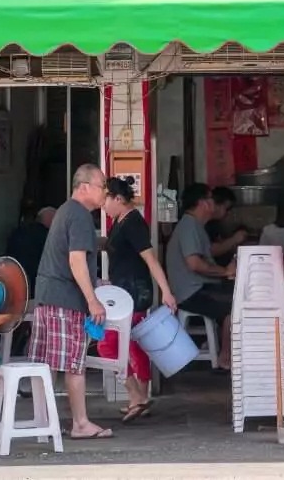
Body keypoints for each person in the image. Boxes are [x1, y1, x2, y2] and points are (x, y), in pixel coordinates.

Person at [28, 164, 111, 440]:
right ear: (84, 186)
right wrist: (92, 300)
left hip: (47, 296)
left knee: (47, 364)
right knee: (74, 364)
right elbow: (76, 260)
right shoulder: (79, 215)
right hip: (65, 300)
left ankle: (45, 421)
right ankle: (80, 423)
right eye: (102, 186)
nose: (105, 193)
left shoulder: (65, 211)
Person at [96, 176, 177, 423]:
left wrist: (166, 291)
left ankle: (135, 396)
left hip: (133, 294)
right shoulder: (119, 221)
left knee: (107, 344)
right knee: (133, 344)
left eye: (105, 200)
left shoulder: (133, 223)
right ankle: (140, 397)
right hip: (123, 292)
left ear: (118, 199)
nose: (103, 205)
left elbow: (151, 260)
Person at [166, 183, 235, 371]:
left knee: (235, 296)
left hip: (199, 287)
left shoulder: (196, 225)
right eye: (212, 199)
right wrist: (225, 272)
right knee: (235, 307)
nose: (215, 204)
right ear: (203, 203)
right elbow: (195, 264)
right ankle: (225, 358)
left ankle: (214, 344)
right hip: (191, 292)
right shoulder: (189, 225)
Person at [5, 207, 55, 298]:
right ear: (51, 221)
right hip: (35, 282)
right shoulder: (47, 236)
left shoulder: (18, 232)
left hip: (13, 276)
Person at [205, 186, 246, 267]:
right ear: (216, 205)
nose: (228, 213)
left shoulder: (215, 224)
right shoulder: (205, 224)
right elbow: (212, 250)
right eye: (227, 209)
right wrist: (235, 239)